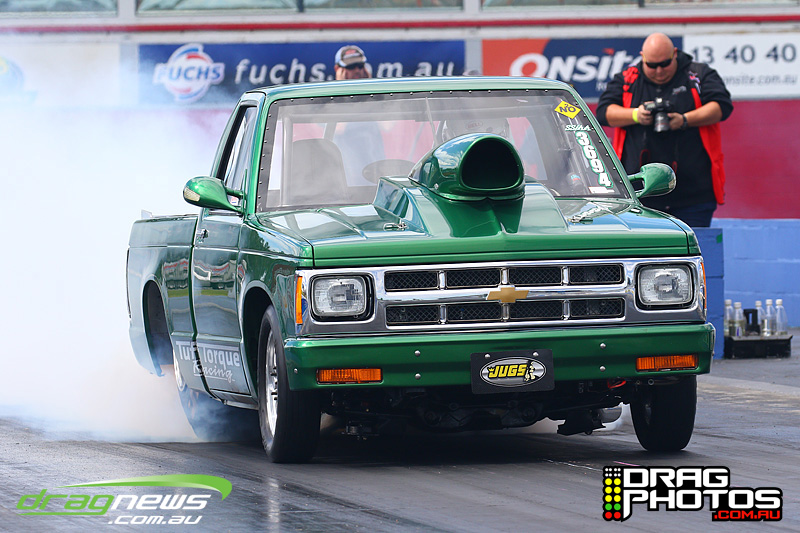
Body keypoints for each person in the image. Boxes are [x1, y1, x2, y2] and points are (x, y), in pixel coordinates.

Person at [595, 33, 733, 227]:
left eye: (664, 64)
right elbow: (603, 112)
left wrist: (684, 120)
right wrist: (636, 115)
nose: (659, 71)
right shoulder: (628, 78)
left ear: (674, 54)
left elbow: (722, 106)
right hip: (641, 194)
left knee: (694, 242)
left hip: (694, 194)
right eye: (652, 65)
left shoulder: (698, 74)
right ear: (642, 57)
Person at [331, 45, 383, 185]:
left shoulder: (374, 97)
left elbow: (388, 125)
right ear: (338, 69)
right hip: (347, 180)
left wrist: (369, 89)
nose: (357, 71)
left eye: (360, 66)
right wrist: (343, 90)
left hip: (375, 175)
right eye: (351, 67)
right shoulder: (329, 99)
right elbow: (339, 128)